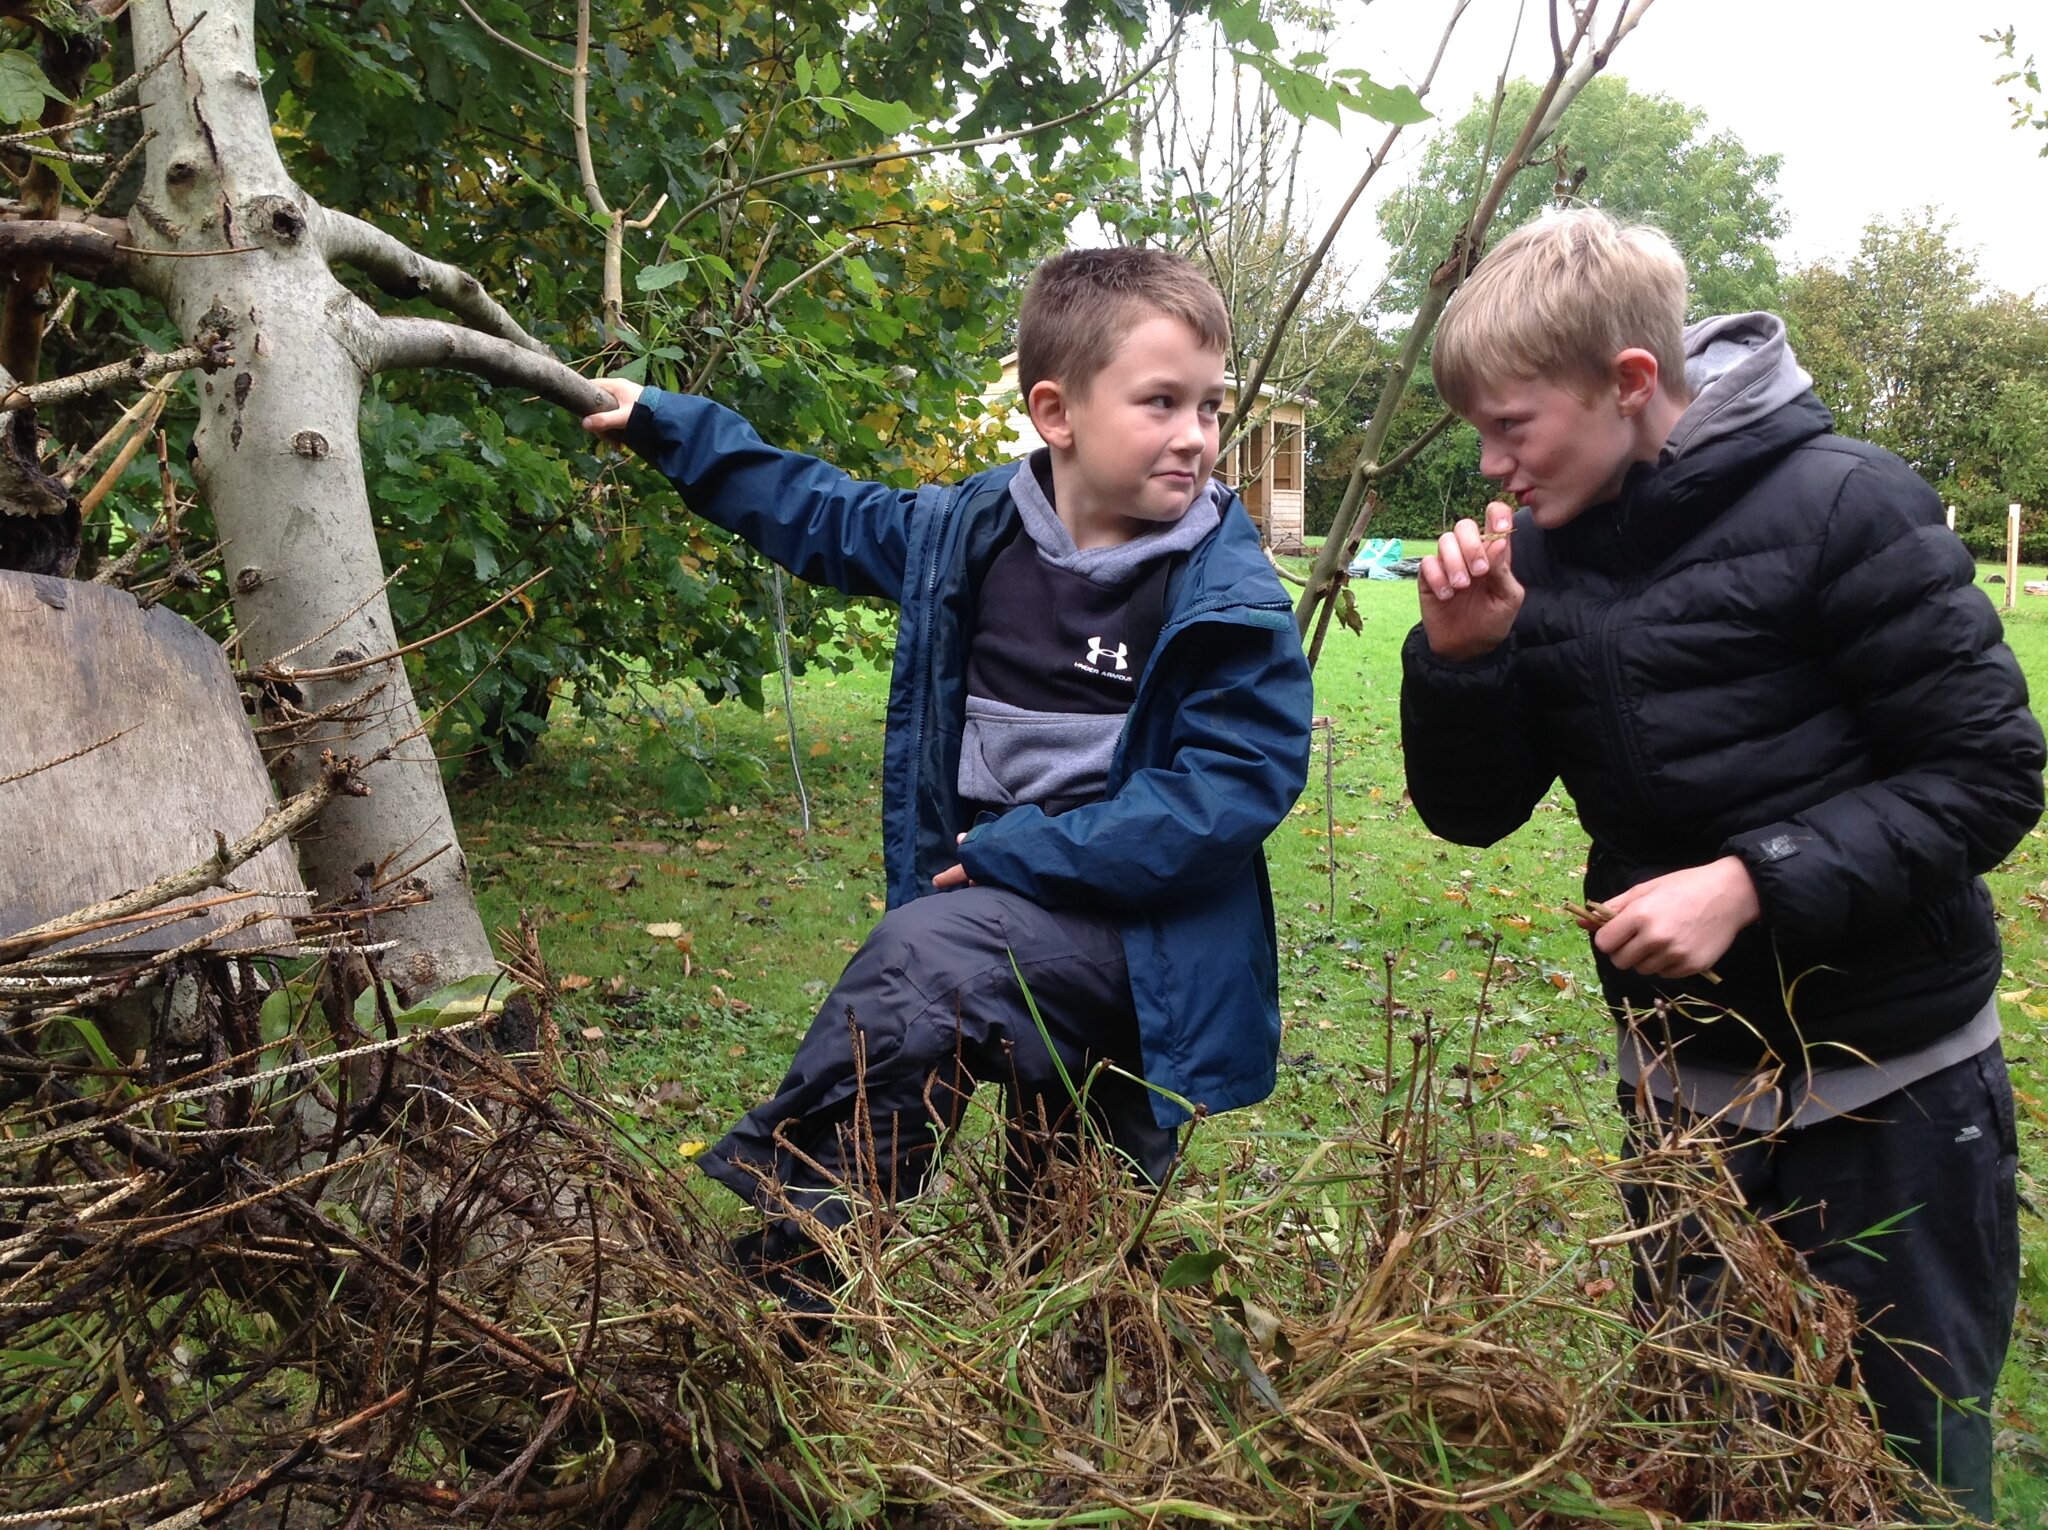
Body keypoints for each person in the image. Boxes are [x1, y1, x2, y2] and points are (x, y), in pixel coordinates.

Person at [1398, 208, 2043, 1519]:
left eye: (1513, 425)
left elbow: (1989, 775)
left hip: (1894, 1089)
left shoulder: (1848, 504)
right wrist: (1462, 662)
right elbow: (1472, 815)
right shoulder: (1546, 552)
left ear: (1630, 383)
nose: (1492, 463)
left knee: (1905, 1464)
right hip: (1684, 1095)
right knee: (1709, 1443)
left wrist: (1753, 876)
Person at [581, 246, 1313, 1306]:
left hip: (1140, 953)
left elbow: (1227, 792)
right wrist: (671, 425)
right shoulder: (964, 539)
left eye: (1208, 407)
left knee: (937, 985)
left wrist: (1020, 851)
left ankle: (792, 1281)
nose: (1196, 437)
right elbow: (819, 513)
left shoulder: (1222, 593)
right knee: (1056, 1246)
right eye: (1160, 404)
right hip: (1001, 930)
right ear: (1055, 413)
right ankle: (801, 1290)